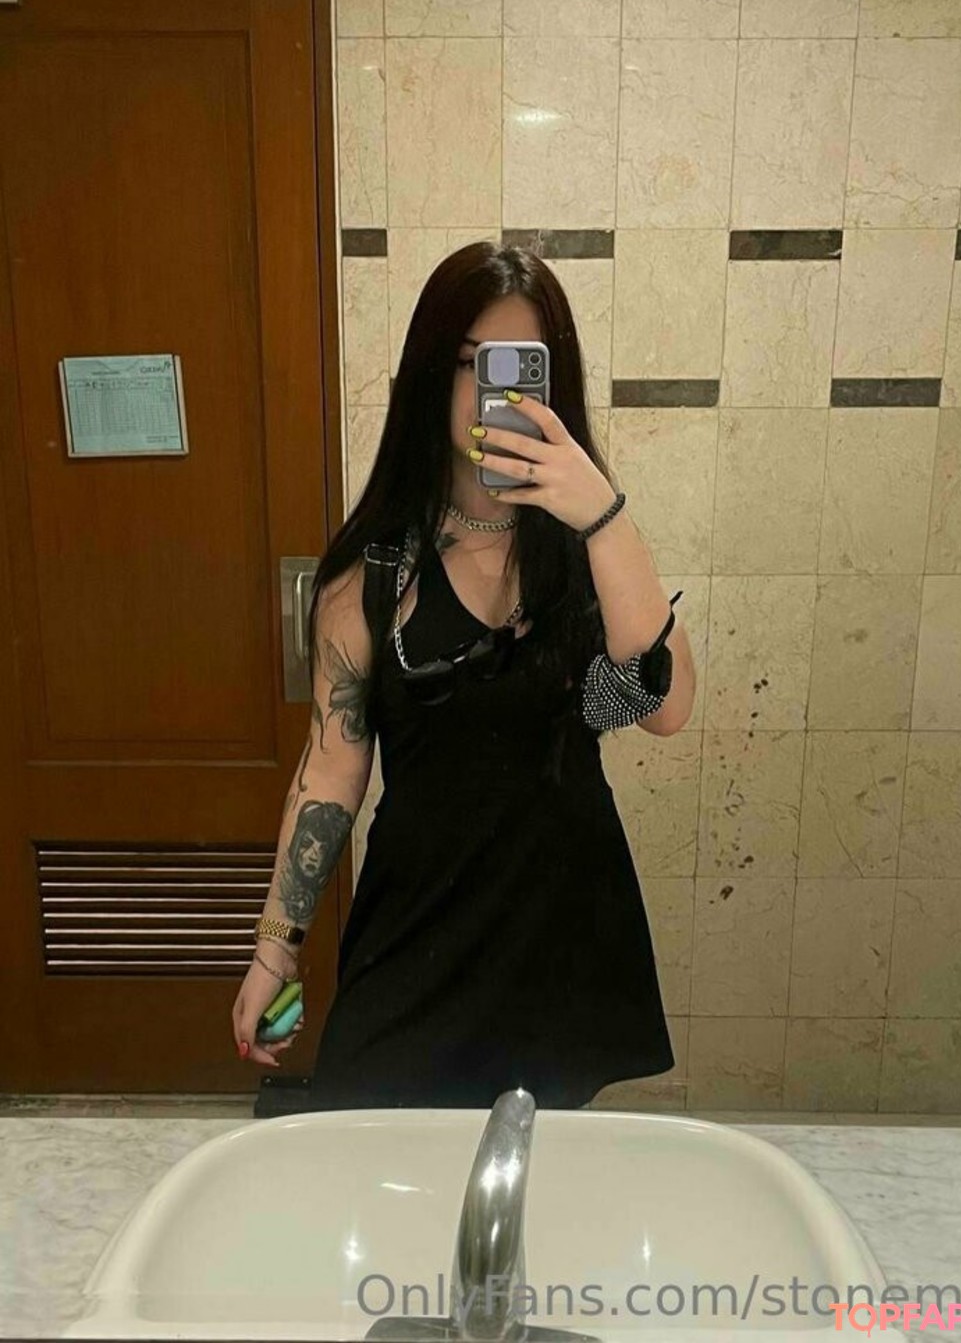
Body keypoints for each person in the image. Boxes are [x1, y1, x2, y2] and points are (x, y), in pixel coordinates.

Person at [231, 242, 696, 1109]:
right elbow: (331, 770)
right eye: (474, 365)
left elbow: (661, 705)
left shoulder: (586, 552)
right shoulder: (371, 576)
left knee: (530, 1168)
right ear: (429, 377)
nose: (499, 394)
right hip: (420, 922)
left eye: (523, 368)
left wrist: (603, 515)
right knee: (382, 1145)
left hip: (559, 933)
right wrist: (274, 948)